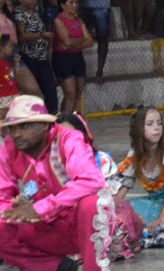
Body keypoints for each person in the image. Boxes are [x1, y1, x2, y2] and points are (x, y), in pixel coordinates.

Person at [0, 95, 116, 271]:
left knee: (92, 203)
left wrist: (41, 208)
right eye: (11, 128)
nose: (16, 134)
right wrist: (13, 211)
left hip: (78, 224)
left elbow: (92, 180)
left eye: (23, 126)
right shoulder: (8, 149)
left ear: (44, 125)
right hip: (42, 226)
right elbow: (1, 194)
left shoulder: (69, 139)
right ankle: (55, 269)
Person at [58, 111, 144, 262]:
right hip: (65, 215)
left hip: (97, 212)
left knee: (116, 223)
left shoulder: (101, 160)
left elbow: (108, 198)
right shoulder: (50, 165)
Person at [115, 106, 164, 248]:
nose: (157, 128)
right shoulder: (134, 157)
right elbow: (119, 196)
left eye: (159, 123)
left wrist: (161, 219)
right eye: (150, 124)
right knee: (125, 217)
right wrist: (129, 215)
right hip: (152, 204)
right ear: (139, 129)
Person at [14, 0, 56, 114]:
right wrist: (42, 36)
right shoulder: (19, 14)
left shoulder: (36, 13)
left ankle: (52, 120)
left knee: (50, 91)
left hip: (42, 57)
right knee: (32, 92)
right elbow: (22, 36)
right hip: (29, 57)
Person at [52, 0, 94, 116]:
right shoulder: (58, 20)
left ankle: (73, 118)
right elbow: (67, 41)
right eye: (71, 2)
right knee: (70, 93)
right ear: (62, 5)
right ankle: (64, 121)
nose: (75, 5)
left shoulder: (78, 20)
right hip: (62, 58)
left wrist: (73, 43)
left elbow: (90, 41)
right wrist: (81, 39)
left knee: (79, 90)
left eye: (76, 2)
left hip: (76, 56)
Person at [0, 34, 18, 120]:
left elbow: (12, 75)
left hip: (12, 94)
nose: (12, 48)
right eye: (10, 46)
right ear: (1, 48)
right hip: (2, 96)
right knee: (1, 118)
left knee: (10, 119)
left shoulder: (6, 62)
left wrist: (16, 63)